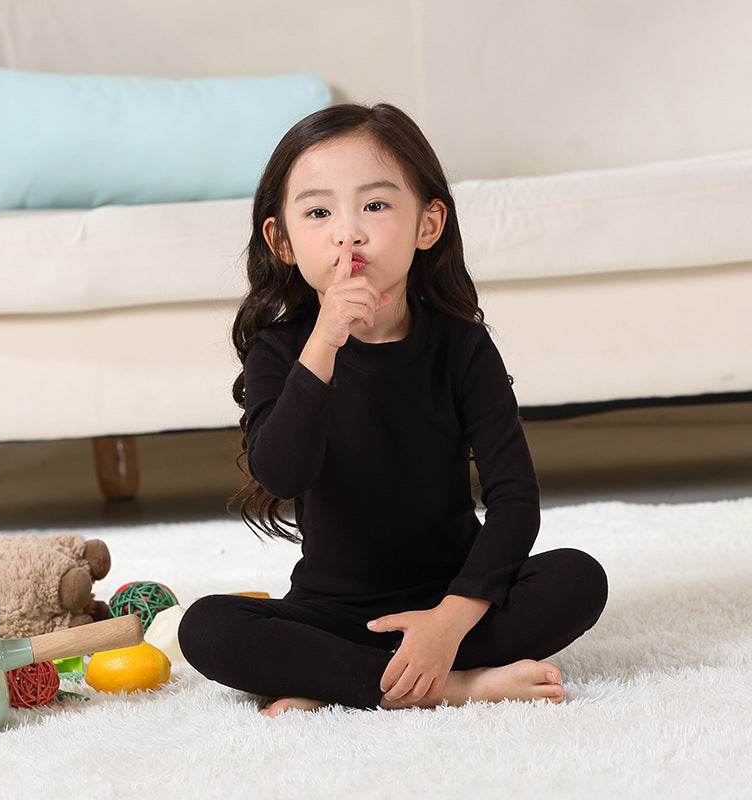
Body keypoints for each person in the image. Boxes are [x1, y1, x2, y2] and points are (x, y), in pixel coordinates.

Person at [177, 102, 609, 717]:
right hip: (333, 612)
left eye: (376, 206)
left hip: (453, 598)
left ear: (427, 225)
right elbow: (281, 473)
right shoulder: (281, 350)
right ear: (282, 241)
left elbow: (515, 501)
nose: (348, 233)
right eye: (319, 212)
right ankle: (456, 686)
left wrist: (448, 622)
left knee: (578, 577)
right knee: (206, 627)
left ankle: (346, 679)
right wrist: (325, 341)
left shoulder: (462, 346)